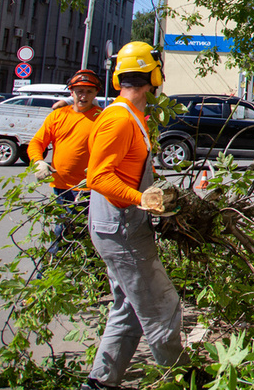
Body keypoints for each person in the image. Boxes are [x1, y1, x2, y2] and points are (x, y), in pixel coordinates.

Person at [83, 41, 185, 390]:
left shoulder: (131, 115)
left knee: (129, 305)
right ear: (152, 76)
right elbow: (97, 176)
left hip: (121, 223)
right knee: (162, 307)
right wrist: (140, 197)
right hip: (121, 228)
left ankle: (101, 381)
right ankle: (181, 379)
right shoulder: (118, 120)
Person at [28, 69, 103, 256]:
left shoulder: (101, 118)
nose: (83, 96)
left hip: (91, 189)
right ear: (72, 92)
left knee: (89, 238)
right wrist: (38, 161)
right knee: (62, 234)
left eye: (88, 91)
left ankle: (87, 277)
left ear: (96, 93)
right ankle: (52, 275)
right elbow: (37, 143)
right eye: (79, 91)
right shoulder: (58, 116)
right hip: (62, 188)